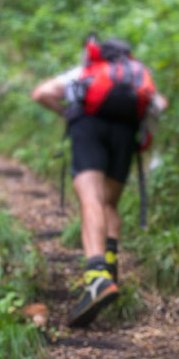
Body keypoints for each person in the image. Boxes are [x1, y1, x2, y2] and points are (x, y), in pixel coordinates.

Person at [31, 35, 167, 327]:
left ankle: (96, 278)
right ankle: (111, 266)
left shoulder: (86, 72)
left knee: (90, 198)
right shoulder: (135, 76)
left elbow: (41, 93)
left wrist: (67, 112)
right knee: (109, 203)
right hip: (125, 133)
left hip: (88, 128)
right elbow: (160, 105)